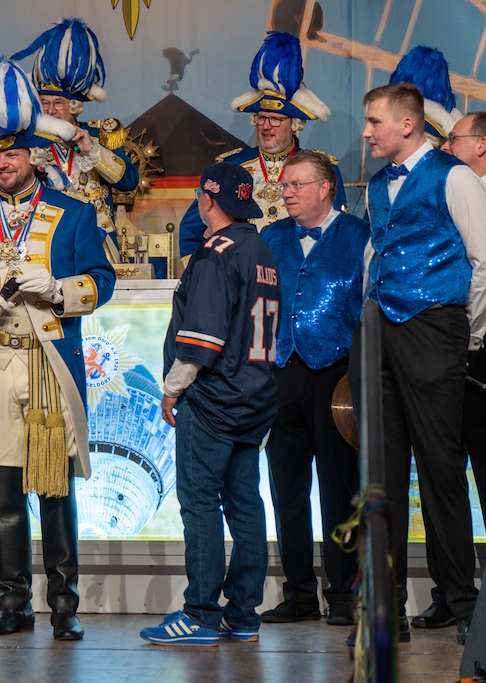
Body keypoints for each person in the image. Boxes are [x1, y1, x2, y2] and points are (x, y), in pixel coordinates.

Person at [0, 58, 115, 641]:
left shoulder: (75, 213)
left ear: (32, 153)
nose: (0, 163)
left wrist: (61, 291)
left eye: (10, 153)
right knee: (6, 491)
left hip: (48, 363)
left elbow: (102, 279)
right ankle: (13, 604)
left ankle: (64, 604)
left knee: (54, 487)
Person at [356, 82, 486, 645]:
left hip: (435, 328)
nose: (365, 132)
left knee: (440, 469)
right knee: (381, 476)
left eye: (374, 122)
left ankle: (463, 604)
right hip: (381, 332)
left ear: (407, 124)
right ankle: (385, 610)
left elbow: (483, 260)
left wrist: (465, 333)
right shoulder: (378, 187)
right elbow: (377, 253)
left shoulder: (454, 175)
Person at [141, 162, 279, 646]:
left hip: (214, 398)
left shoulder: (215, 253)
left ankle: (199, 614)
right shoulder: (260, 247)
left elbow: (201, 338)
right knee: (245, 504)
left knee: (200, 503)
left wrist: (173, 387)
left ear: (206, 200)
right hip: (255, 396)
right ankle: (243, 613)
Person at [258, 151, 368, 627]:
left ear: (325, 188)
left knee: (339, 486)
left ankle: (343, 593)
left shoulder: (361, 236)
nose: (286, 192)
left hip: (337, 375)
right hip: (281, 373)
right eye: (284, 186)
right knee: (285, 486)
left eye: (297, 185)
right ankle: (299, 592)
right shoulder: (270, 237)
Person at [178, 31, 346, 261]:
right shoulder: (231, 166)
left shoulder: (323, 169)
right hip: (243, 284)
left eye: (276, 119)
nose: (266, 126)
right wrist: (204, 275)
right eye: (261, 118)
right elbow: (190, 233)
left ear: (295, 124)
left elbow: (339, 232)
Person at [415, 110, 486, 633]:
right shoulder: (439, 192)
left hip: (475, 350)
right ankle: (452, 591)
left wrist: (471, 334)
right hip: (443, 353)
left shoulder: (466, 190)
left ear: (481, 145)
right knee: (441, 476)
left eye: (455, 137)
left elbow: (483, 268)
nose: (446, 144)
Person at [11, 18, 139, 264]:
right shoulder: (26, 142)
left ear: (75, 107)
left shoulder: (99, 134)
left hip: (97, 243)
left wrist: (93, 151)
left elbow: (129, 182)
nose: (51, 110)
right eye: (45, 103)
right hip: (44, 244)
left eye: (58, 103)